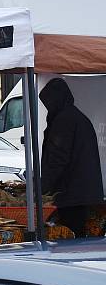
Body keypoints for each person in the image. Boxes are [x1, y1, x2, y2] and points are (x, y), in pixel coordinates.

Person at [40, 78, 103, 238]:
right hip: (81, 194)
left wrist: (42, 190)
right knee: (77, 239)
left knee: (69, 240)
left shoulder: (64, 120)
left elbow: (57, 158)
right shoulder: (75, 117)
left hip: (72, 196)